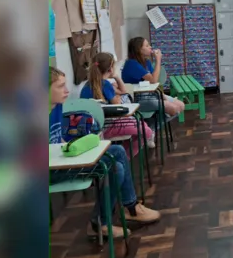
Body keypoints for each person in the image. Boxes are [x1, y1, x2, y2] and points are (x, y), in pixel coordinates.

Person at [49, 67, 161, 237]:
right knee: (116, 168)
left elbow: (60, 141)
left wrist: (76, 149)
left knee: (115, 150)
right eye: (60, 86)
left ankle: (128, 208)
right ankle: (106, 219)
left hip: (63, 162)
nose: (67, 91)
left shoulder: (57, 107)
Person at [82, 52, 156, 150]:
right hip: (108, 126)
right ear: (110, 69)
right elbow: (118, 102)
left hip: (93, 127)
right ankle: (126, 157)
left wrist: (116, 91)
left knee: (141, 125)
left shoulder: (87, 85)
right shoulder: (105, 84)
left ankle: (123, 156)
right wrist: (116, 79)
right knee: (146, 131)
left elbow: (121, 94)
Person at [122, 37, 185, 116]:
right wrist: (158, 60)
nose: (150, 47)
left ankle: (158, 117)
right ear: (139, 50)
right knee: (173, 109)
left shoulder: (146, 62)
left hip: (151, 94)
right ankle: (155, 122)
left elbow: (154, 81)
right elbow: (153, 80)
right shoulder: (132, 64)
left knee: (181, 105)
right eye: (147, 45)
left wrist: (162, 96)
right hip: (137, 99)